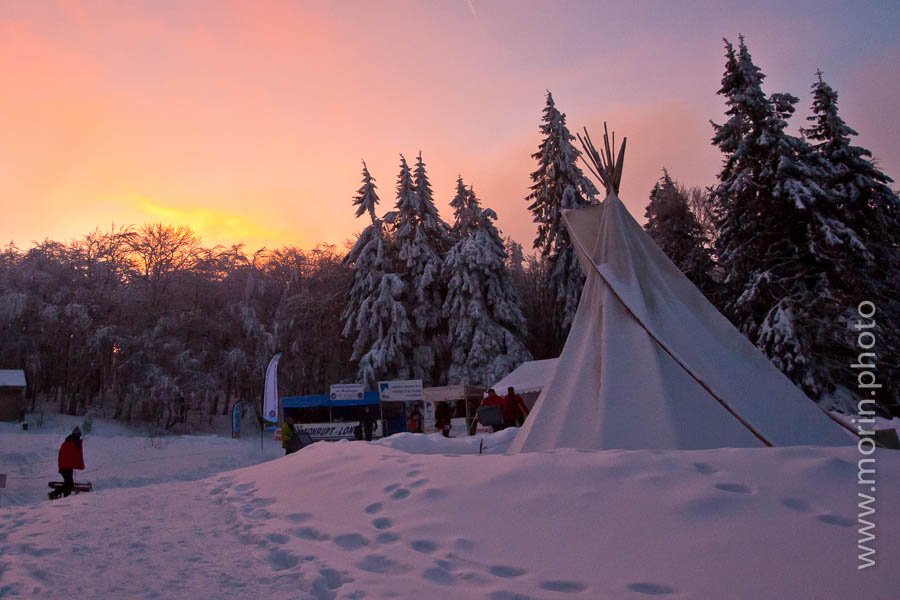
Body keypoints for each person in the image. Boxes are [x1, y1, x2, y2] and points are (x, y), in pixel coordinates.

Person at [51, 426, 85, 499]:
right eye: (79, 436)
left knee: (69, 483)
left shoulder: (66, 442)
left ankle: (66, 497)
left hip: (64, 466)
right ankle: (54, 494)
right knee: (69, 484)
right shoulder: (74, 444)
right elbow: (76, 456)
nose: (79, 437)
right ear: (77, 435)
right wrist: (80, 465)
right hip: (67, 467)